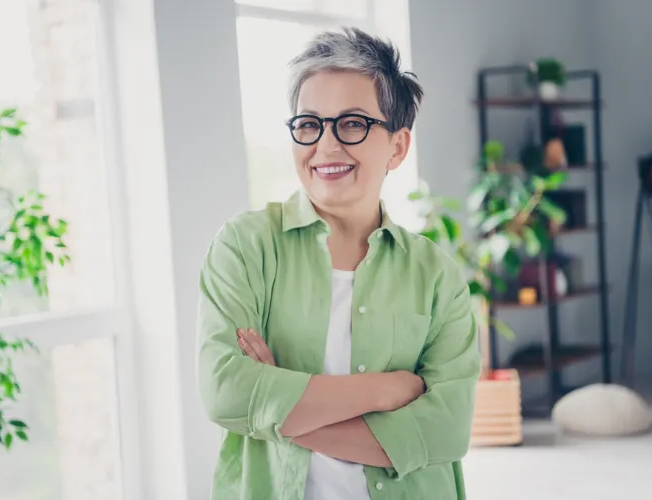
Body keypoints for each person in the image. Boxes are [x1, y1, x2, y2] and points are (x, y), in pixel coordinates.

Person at [196, 27, 481, 500]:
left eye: (352, 124)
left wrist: (280, 411)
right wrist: (384, 391)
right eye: (309, 124)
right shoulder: (244, 248)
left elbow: (445, 432)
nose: (326, 146)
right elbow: (227, 394)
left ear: (397, 146)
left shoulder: (435, 273)